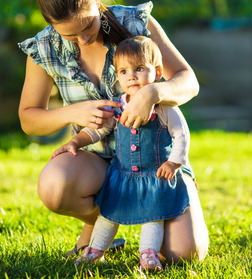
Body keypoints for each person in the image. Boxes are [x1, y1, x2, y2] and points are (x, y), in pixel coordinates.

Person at [18, 0, 209, 263]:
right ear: (51, 24)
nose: (83, 40)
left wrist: (155, 92)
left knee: (183, 254)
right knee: (54, 186)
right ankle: (99, 222)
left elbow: (188, 81)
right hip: (99, 164)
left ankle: (175, 196)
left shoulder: (135, 23)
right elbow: (29, 118)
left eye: (87, 28)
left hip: (155, 163)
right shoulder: (44, 47)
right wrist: (73, 113)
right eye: (71, 36)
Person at [50, 36, 194, 271]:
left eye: (139, 69)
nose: (131, 76)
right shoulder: (118, 106)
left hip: (154, 175)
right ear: (118, 76)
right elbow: (97, 130)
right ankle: (95, 250)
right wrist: (75, 142)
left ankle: (148, 255)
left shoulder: (165, 108)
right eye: (124, 71)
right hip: (123, 175)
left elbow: (182, 135)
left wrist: (173, 163)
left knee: (152, 215)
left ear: (157, 72)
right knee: (108, 213)